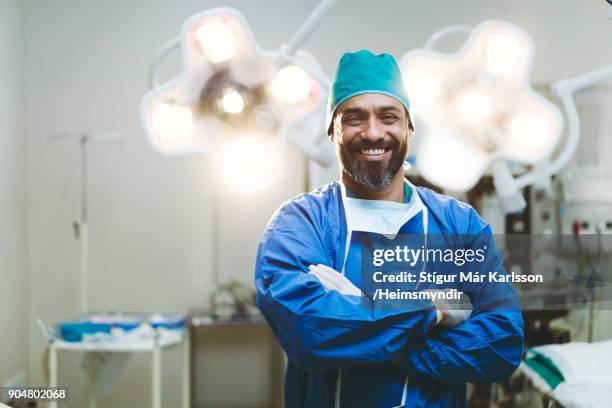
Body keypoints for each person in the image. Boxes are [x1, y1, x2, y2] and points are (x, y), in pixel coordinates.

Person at [255, 50, 524, 408]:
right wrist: (435, 309)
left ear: (409, 129)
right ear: (332, 131)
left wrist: (363, 321)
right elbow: (310, 334)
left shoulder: (460, 225)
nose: (372, 132)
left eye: (389, 116)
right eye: (353, 118)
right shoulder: (300, 225)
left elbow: (501, 344)